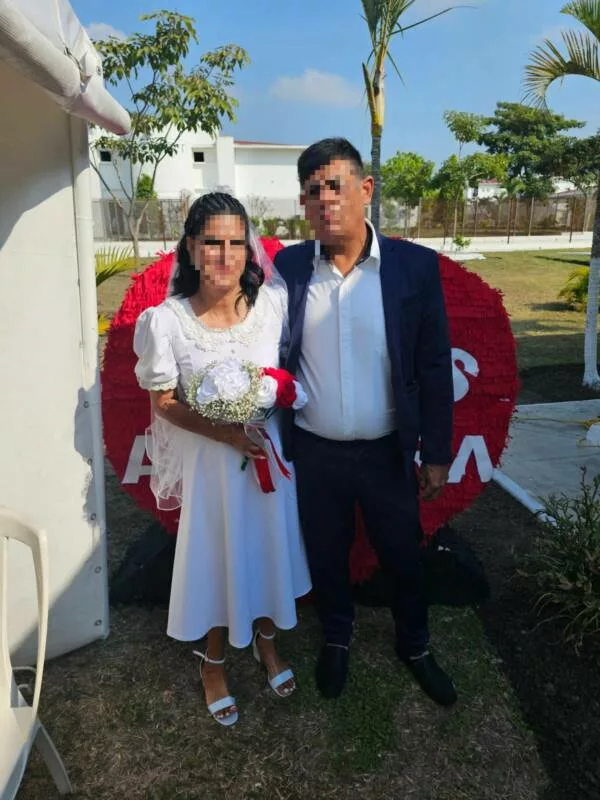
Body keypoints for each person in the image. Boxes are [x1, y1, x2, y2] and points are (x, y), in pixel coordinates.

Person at [274, 138, 457, 707]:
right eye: (313, 191)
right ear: (303, 204)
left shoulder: (413, 268)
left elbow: (433, 363)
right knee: (325, 551)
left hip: (386, 451)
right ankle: (336, 636)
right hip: (315, 450)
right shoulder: (288, 269)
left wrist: (437, 452)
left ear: (365, 189)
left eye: (336, 186)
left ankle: (415, 644)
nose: (325, 200)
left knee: (402, 553)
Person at [133, 192, 311, 727]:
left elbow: (285, 375)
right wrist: (225, 433)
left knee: (267, 546)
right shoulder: (166, 322)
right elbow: (164, 404)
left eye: (236, 243)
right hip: (213, 465)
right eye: (212, 242)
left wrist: (272, 402)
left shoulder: (272, 306)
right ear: (191, 248)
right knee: (218, 556)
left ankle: (266, 640)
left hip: (268, 459)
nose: (226, 256)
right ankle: (212, 661)